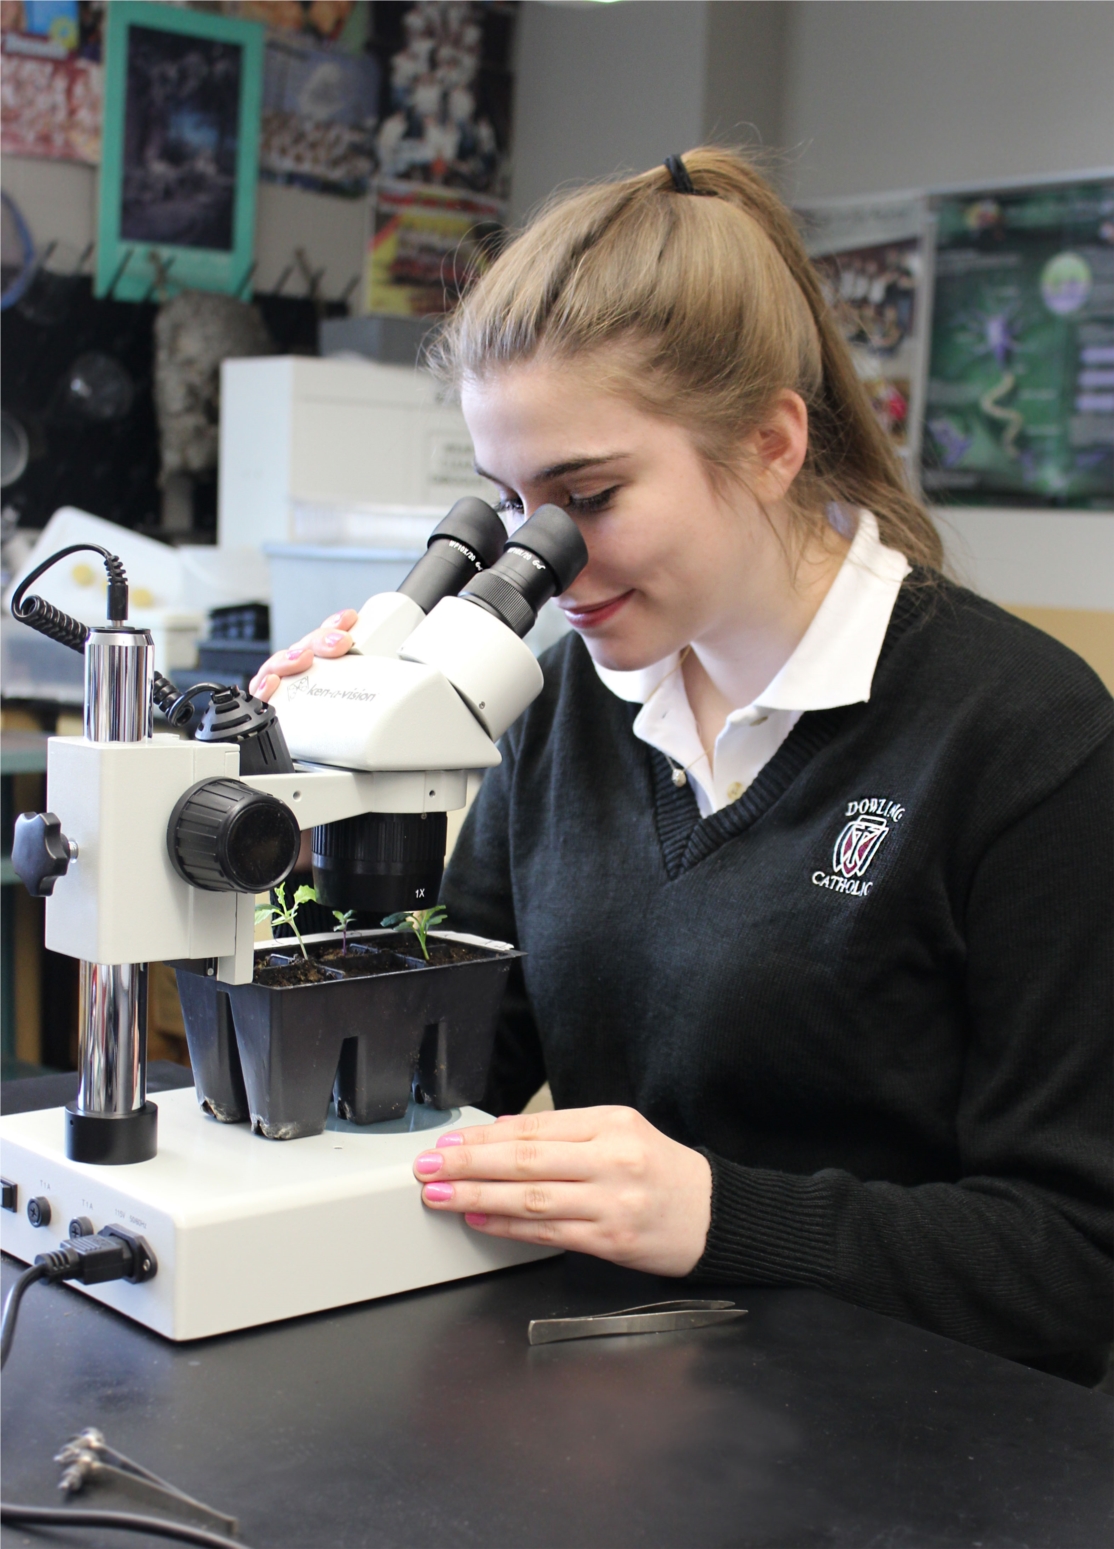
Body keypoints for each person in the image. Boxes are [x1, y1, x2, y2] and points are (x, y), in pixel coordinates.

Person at [250, 148, 1112, 1384]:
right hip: (625, 1403)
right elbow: (427, 1081)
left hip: (914, 1443)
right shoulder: (568, 707)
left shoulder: (1024, 736)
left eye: (587, 496)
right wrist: (313, 796)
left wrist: (716, 1213)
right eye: (506, 507)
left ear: (768, 441)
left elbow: (1072, 1263)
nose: (546, 562)